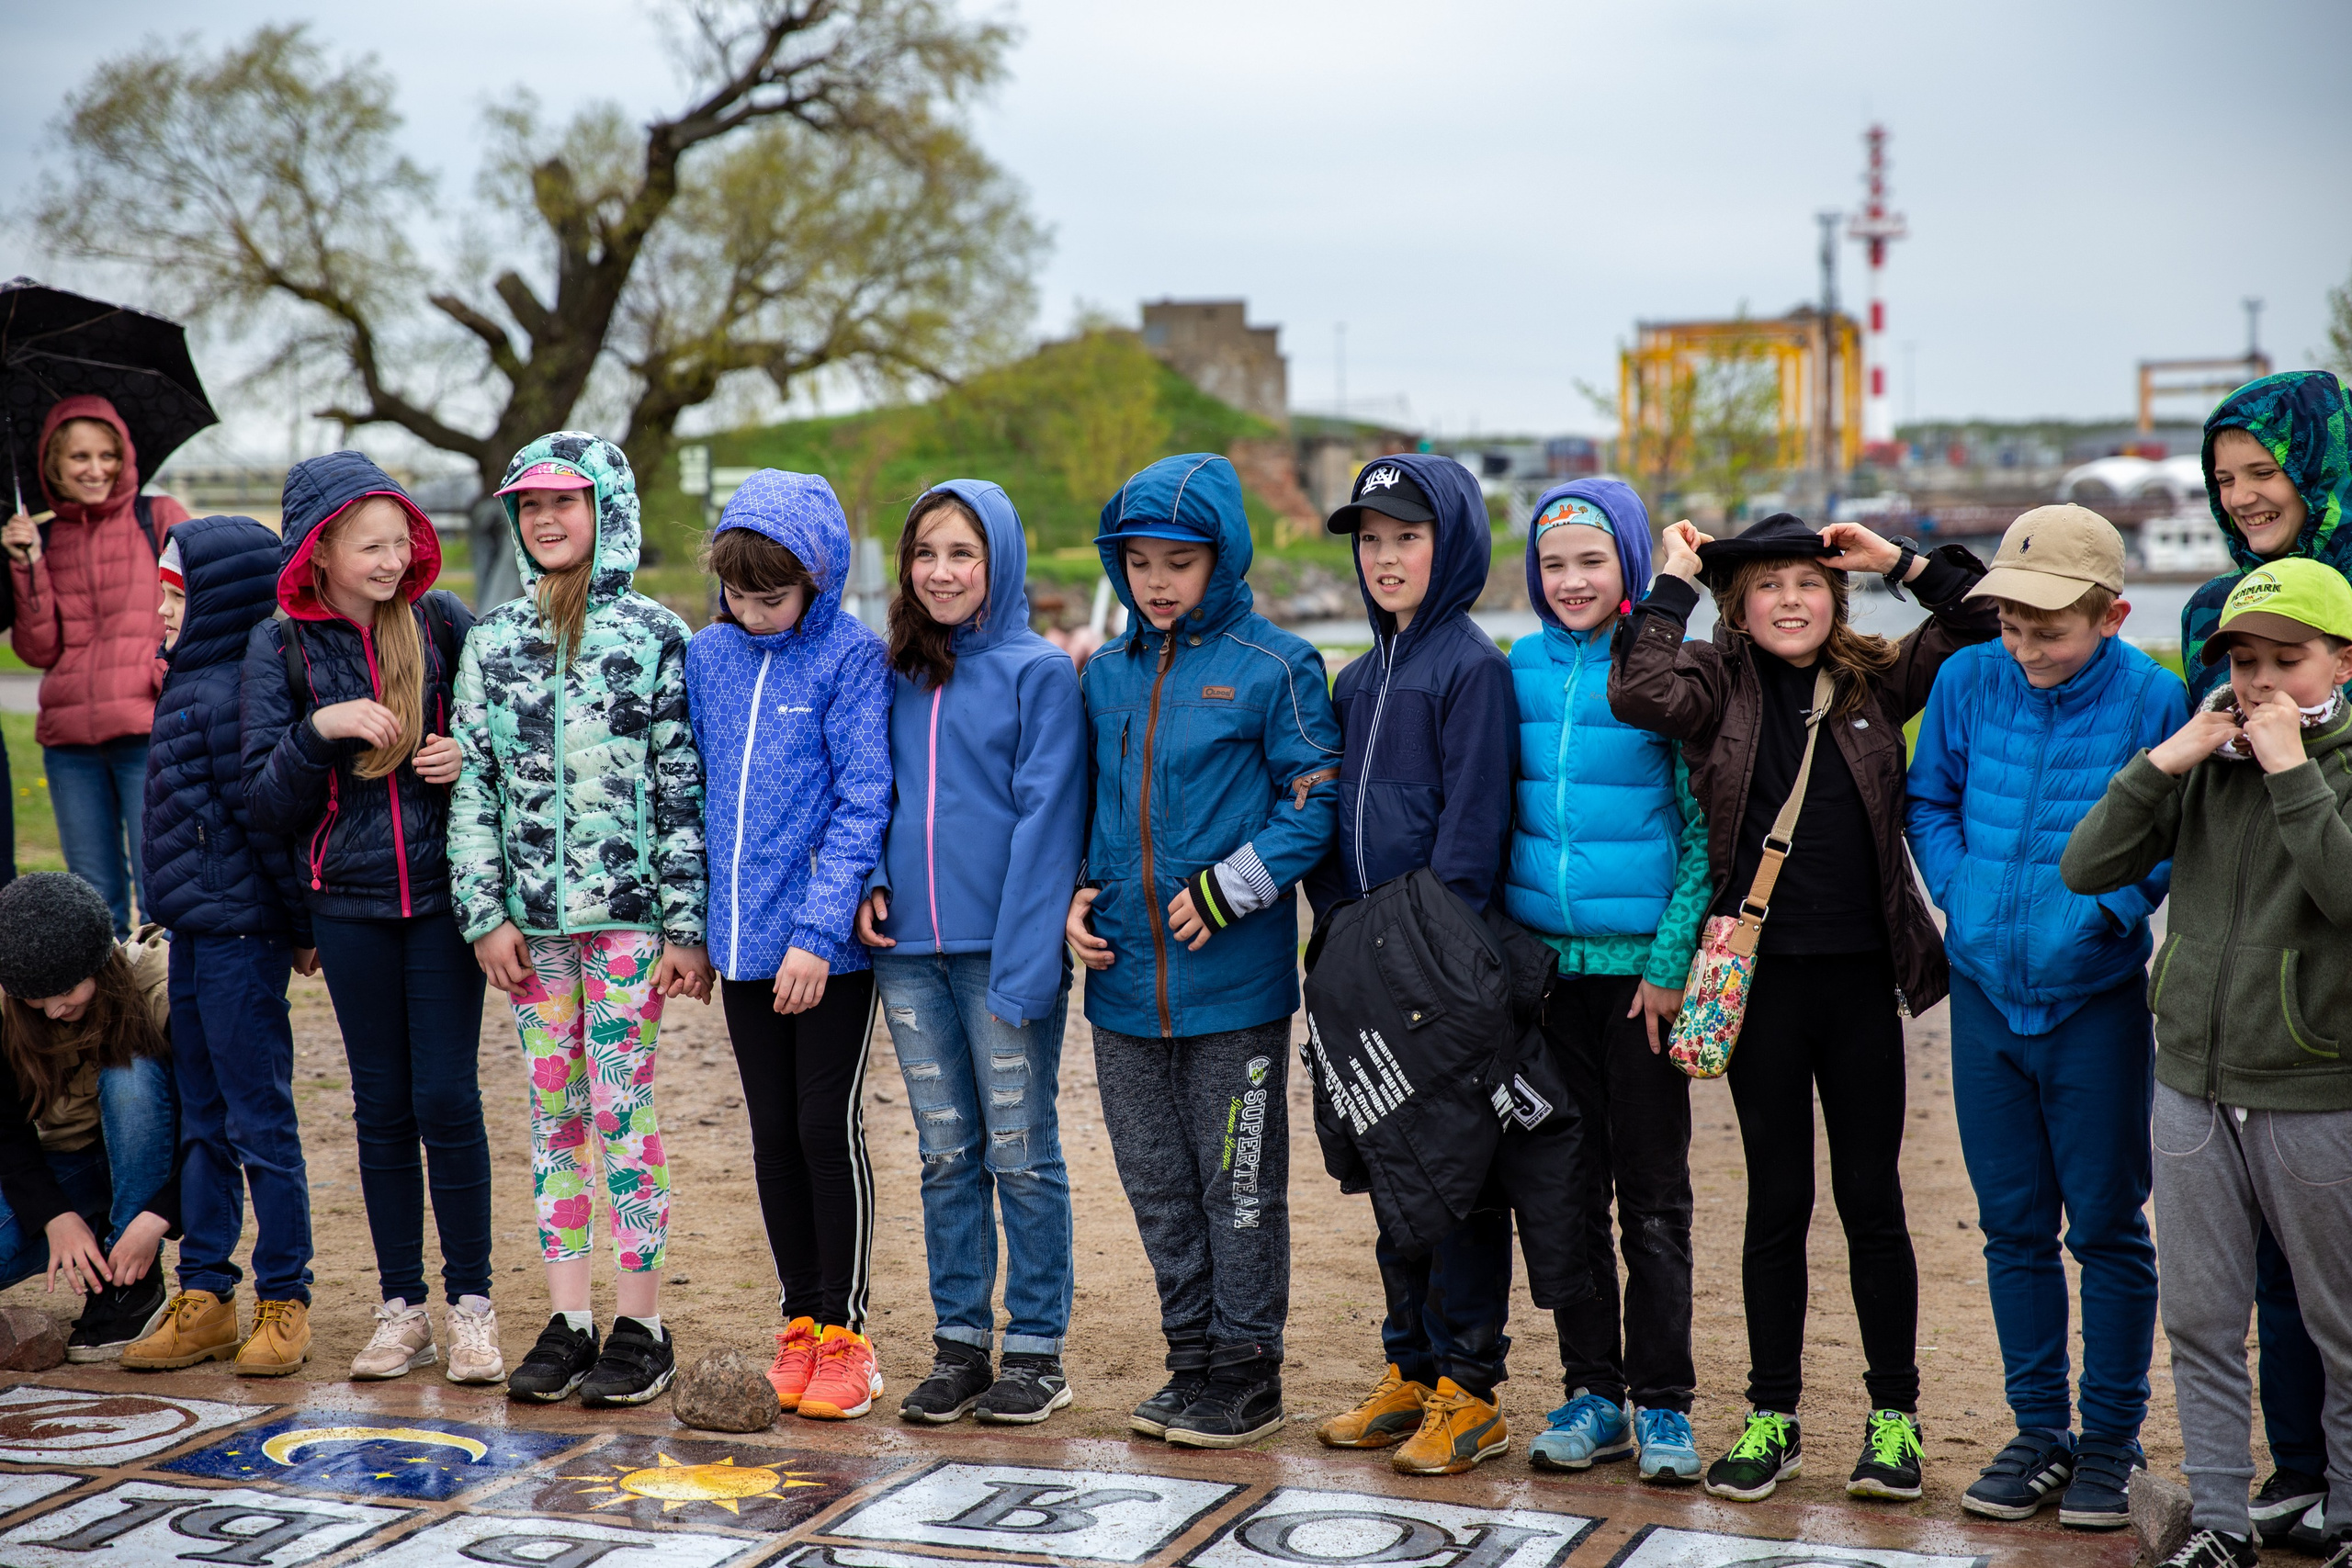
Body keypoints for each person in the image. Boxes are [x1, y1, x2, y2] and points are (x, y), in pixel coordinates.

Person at [1610, 512, 1996, 1506]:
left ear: (1836, 600)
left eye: (1809, 584)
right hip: (1761, 987)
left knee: (1873, 1200)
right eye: (1769, 587)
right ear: (1739, 607)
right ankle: (1771, 1416)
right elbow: (1636, 689)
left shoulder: (1874, 681)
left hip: (1863, 978)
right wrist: (1673, 581)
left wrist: (1897, 561)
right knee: (1776, 1201)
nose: (1791, 600)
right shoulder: (1712, 683)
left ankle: (1893, 1421)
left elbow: (1986, 617)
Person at [2064, 557, 2352, 1568]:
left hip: (2314, 1086)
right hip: (2188, 1079)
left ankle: (2348, 1520)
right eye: (2242, 659)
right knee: (2199, 1318)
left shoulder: (2337, 762)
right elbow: (2086, 865)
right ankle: (2222, 1528)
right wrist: (2165, 760)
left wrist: (2291, 774)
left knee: (2337, 1322)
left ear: (2342, 662)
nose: (2261, 680)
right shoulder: (2208, 754)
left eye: (2289, 659)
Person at [1905, 505, 2187, 1529]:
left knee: (2107, 1230)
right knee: (2010, 1227)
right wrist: (1962, 894)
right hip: (1983, 998)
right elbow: (1927, 800)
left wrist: (2104, 911)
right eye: (2010, 625)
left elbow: (2167, 837)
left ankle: (2110, 1441)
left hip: (2094, 1003)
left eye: (2048, 631)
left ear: (2111, 615)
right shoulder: (1966, 678)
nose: (2023, 648)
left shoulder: (2157, 698)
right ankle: (2039, 1432)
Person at [1067, 452, 1340, 1450]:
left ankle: (1246, 1372)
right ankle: (1188, 1361)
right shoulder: (1101, 673)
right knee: (1156, 1185)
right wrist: (1069, 900)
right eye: (1137, 562)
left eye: (1178, 562)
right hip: (1122, 987)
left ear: (1221, 559)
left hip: (1235, 988)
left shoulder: (1277, 667)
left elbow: (1317, 799)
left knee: (1236, 1188)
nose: (1156, 581)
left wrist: (1234, 887)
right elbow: (1084, 807)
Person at [451, 434, 710, 1408]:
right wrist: (484, 913)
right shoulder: (493, 641)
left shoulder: (654, 637)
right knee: (553, 1114)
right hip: (532, 933)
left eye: (567, 502)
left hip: (629, 927)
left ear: (609, 511)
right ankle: (568, 1320)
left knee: (620, 1108)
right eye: (529, 506)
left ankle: (642, 1323)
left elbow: (680, 789)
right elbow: (472, 785)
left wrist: (685, 926)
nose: (547, 520)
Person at [241, 452, 497, 1384]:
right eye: (371, 546)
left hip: (439, 903)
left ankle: (472, 1306)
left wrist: (466, 756)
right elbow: (263, 802)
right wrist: (321, 730)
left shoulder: (438, 622)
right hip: (345, 910)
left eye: (401, 541)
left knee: (446, 1099)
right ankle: (402, 1312)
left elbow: (506, 733)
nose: (392, 561)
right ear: (321, 551)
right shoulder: (282, 649)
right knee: (381, 1107)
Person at [855, 481, 1086, 1426]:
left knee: (1022, 1152)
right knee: (947, 1153)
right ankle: (960, 1345)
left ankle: (1035, 1351)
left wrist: (1033, 966)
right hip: (907, 952)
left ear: (999, 559)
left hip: (1005, 954)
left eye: (962, 553)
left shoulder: (1039, 674)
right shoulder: (896, 672)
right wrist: (872, 872)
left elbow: (1049, 824)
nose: (941, 572)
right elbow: (871, 787)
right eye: (925, 555)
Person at [1308, 456, 1517, 1477]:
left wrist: (1420, 978)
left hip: (1437, 988)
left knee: (1456, 1185)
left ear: (1455, 543)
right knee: (1394, 1183)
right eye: (1370, 540)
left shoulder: (1471, 668)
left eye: (1407, 536)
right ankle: (1410, 1368)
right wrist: (1345, 951)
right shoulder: (1355, 679)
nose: (1385, 557)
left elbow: (1471, 846)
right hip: (1364, 984)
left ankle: (1468, 1391)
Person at [1499, 480, 1712, 1484]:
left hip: (1640, 988)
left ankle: (1664, 1402)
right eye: (1552, 565)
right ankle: (1593, 1391)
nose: (1571, 580)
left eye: (1590, 560)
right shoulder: (1518, 669)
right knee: (1564, 1193)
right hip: (1544, 986)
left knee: (1653, 1199)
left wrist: (1669, 964)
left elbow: (1702, 829)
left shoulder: (1661, 670)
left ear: (1629, 560)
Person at [2176, 369, 2352, 1547]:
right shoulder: (2216, 614)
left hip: (2332, 1018)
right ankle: (2293, 1476)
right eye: (2224, 478)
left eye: (2263, 471)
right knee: (2266, 1278)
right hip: (2242, 1023)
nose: (2244, 496)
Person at [688, 469, 891, 1421]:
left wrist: (817, 932)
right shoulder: (708, 658)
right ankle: (800, 1322)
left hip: (828, 956)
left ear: (817, 579)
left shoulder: (852, 657)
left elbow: (864, 801)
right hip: (738, 951)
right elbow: (691, 803)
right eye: (739, 596)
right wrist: (694, 932)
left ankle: (848, 1335)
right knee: (772, 1136)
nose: (754, 614)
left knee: (823, 1128)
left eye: (772, 597)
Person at [123, 518, 320, 1376]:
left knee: (257, 1118)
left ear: (223, 598)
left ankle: (286, 1296)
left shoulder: (243, 686)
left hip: (244, 934)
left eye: (178, 595)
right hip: (192, 934)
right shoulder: (184, 680)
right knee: (201, 1120)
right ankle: (204, 1290)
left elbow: (267, 819)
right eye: (161, 594)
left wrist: (301, 925)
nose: (163, 611)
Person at [5, 398, 189, 937]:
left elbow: (201, 609)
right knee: (93, 900)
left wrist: (162, 672)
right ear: (53, 464)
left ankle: (165, 1016)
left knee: (163, 893)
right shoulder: (46, 537)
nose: (96, 468)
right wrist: (29, 566)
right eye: (80, 456)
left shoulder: (158, 517)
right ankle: (109, 1021)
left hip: (146, 734)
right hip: (69, 746)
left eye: (108, 454)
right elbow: (38, 651)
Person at [0, 874, 177, 1361]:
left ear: (99, 963)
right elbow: (7, 1132)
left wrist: (156, 1215)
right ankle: (96, 1228)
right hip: (70, 1167)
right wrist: (55, 1217)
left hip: (154, 1162)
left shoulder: (164, 994)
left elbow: (219, 1125)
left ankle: (131, 1287)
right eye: (37, 1000)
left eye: (66, 991)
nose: (54, 1010)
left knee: (132, 1073)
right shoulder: (11, 1007)